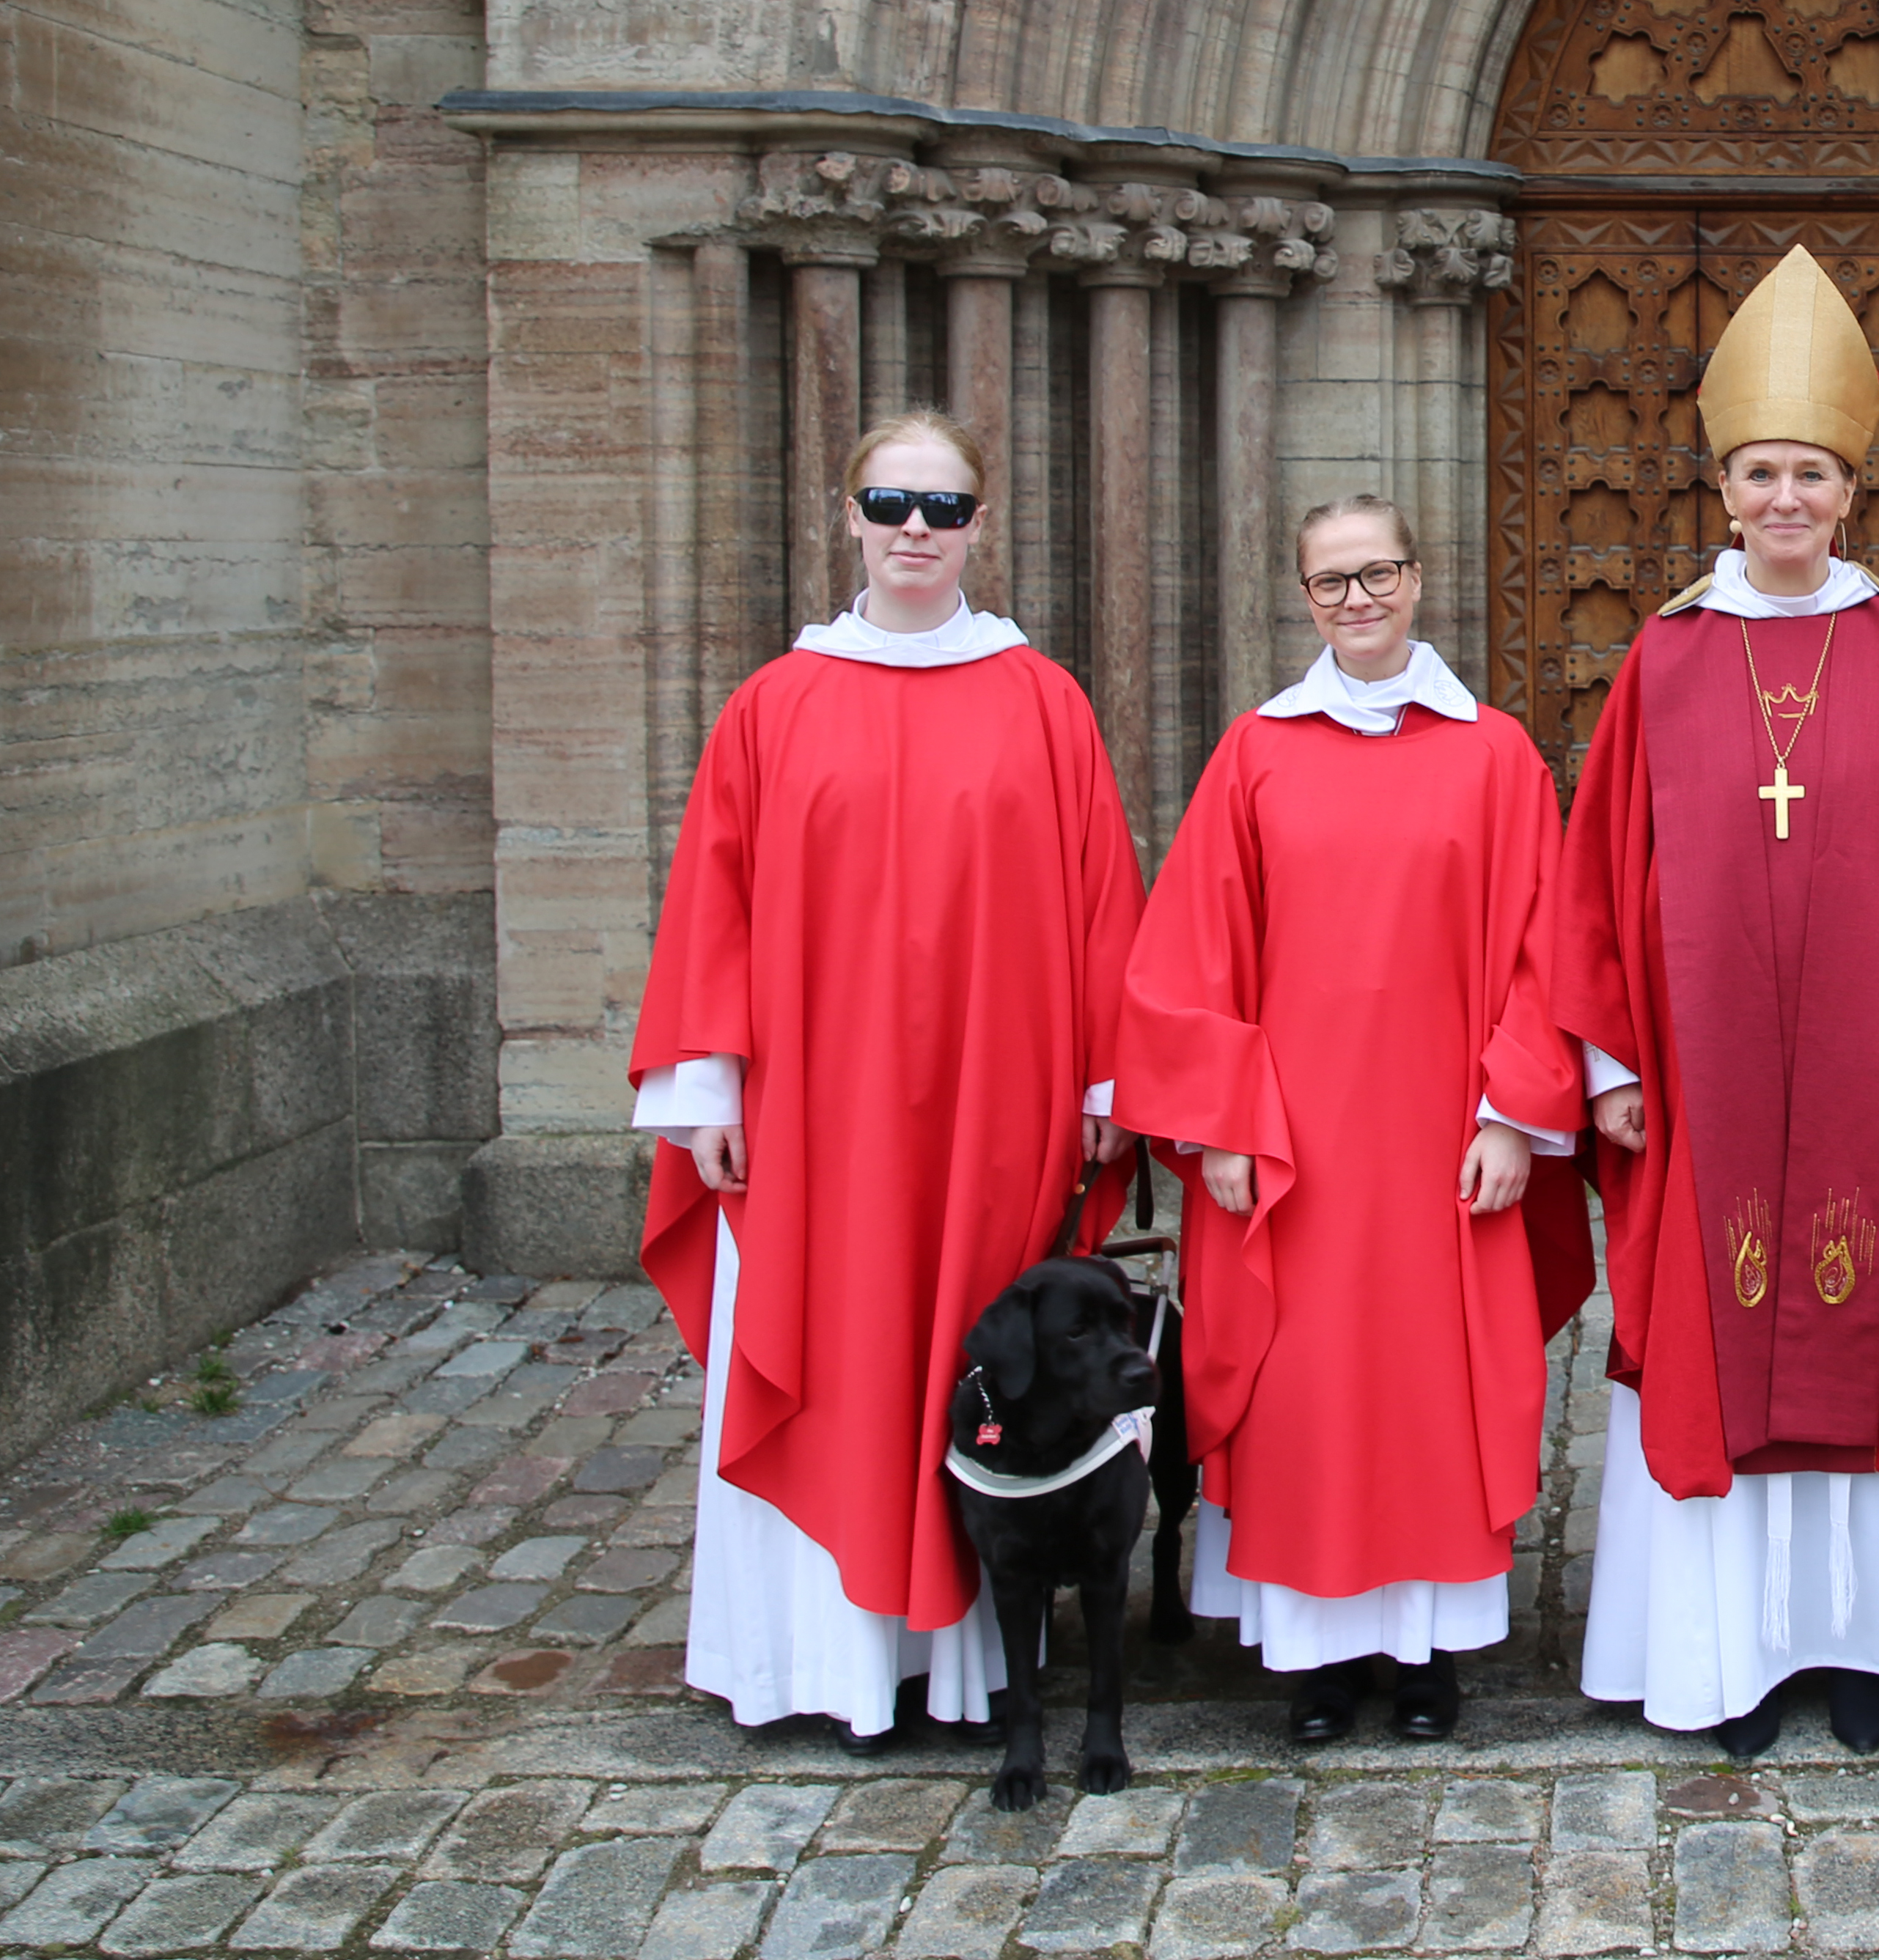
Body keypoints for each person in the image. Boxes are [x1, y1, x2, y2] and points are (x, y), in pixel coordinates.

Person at [1533, 244, 1879, 1756]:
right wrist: (1602, 1062)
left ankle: (1872, 1652)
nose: (1786, 500)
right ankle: (1732, 1661)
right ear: (1726, 489)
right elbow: (1598, 877)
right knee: (1725, 1333)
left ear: (1852, 492)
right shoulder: (1663, 658)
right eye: (1761, 473)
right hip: (1705, 1090)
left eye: (1811, 477)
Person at [628, 410, 1139, 1751]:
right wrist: (708, 1092)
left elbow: (1100, 903)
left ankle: (968, 1669)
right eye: (891, 500)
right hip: (817, 1115)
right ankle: (824, 1662)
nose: (918, 527)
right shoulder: (774, 703)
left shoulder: (1044, 699)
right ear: (847, 513)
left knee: (979, 1354)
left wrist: (1103, 1086)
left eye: (945, 505)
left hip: (995, 1105)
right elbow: (714, 908)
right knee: (835, 1335)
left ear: (981, 524)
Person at [1119, 495, 1594, 1747]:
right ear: (1306, 598)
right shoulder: (1255, 754)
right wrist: (1217, 1124)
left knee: (1429, 1386)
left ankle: (1430, 1656)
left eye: (1376, 572)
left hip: (1445, 1139)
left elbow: (1546, 957)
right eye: (1329, 583)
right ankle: (1318, 1660)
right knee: (1307, 1390)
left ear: (1420, 575)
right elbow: (1188, 959)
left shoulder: (1493, 754)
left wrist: (1512, 1113)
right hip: (1294, 1148)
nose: (1357, 600)